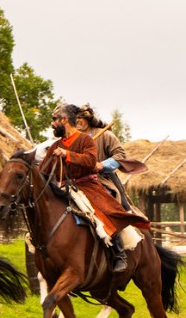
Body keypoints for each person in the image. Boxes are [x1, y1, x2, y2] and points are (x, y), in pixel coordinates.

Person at [41, 104, 150, 272]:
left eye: (81, 119)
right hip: (67, 185)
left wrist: (100, 165)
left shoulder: (101, 137)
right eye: (77, 119)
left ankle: (119, 252)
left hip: (95, 180)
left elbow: (106, 159)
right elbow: (43, 170)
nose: (79, 122)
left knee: (107, 208)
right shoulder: (58, 144)